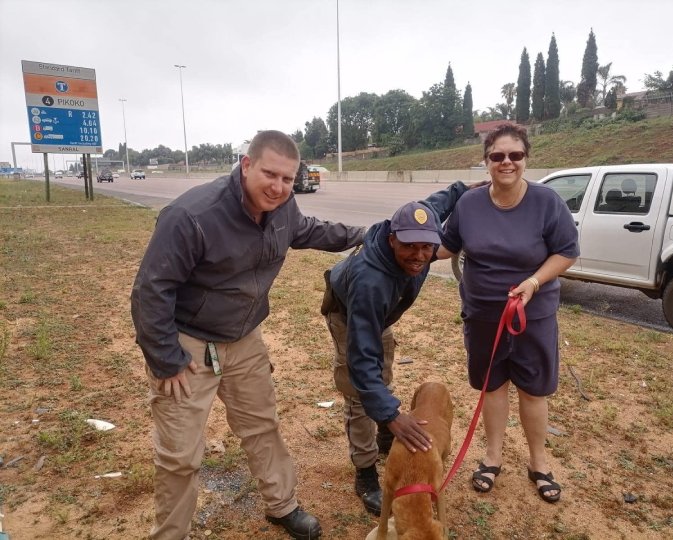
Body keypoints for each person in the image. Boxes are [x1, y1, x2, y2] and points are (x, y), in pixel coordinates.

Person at [130, 130, 365, 540]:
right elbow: (151, 289)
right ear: (246, 165)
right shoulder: (191, 216)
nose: (278, 187)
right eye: (269, 174)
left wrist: (367, 235)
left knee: (262, 427)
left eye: (288, 179)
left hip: (244, 340)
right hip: (187, 346)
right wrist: (165, 358)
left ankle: (282, 505)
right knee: (180, 456)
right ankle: (171, 534)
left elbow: (310, 230)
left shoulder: (283, 208)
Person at [438, 123, 579, 504]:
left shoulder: (547, 202)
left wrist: (533, 282)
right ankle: (492, 457)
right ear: (486, 161)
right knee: (493, 386)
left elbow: (566, 251)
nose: (506, 162)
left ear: (525, 159)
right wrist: (403, 247)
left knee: (533, 390)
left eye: (515, 155)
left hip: (532, 315)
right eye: (497, 156)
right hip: (483, 314)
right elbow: (446, 246)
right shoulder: (469, 204)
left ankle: (539, 463)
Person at [321, 182, 471, 515]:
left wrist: (464, 188)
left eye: (427, 247)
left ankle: (385, 435)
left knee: (382, 377)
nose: (419, 256)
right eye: (410, 247)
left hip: (380, 314)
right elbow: (361, 359)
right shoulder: (370, 282)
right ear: (392, 240)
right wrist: (392, 415)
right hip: (350, 316)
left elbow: (434, 204)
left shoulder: (418, 229)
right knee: (360, 393)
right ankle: (365, 473)